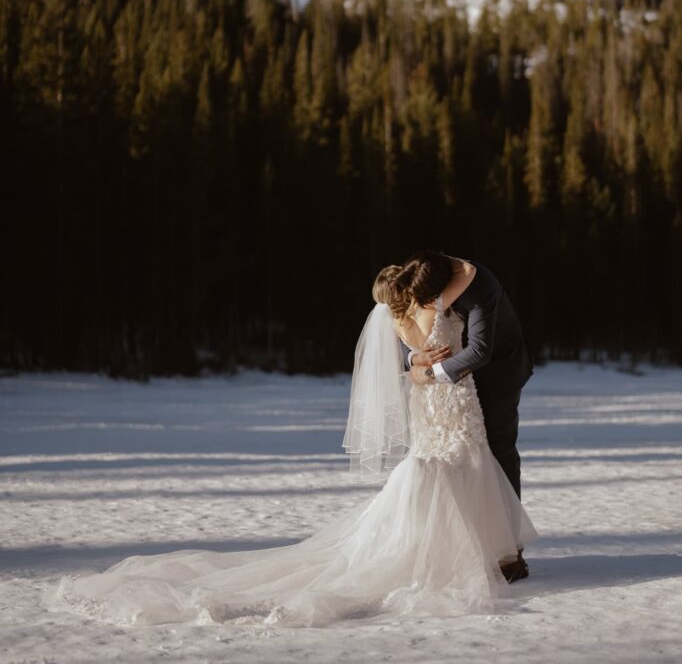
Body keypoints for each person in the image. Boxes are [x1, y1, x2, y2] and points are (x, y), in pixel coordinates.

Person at [46, 264, 537, 628]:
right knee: (467, 464)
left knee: (469, 464)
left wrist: (417, 368)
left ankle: (494, 551)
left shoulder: (406, 314)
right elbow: (466, 302)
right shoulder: (437, 302)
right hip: (450, 398)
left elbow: (418, 359)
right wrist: (425, 366)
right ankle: (488, 553)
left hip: (446, 401)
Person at [397, 251, 534, 582]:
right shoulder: (420, 278)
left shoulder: (479, 286)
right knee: (455, 462)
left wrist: (429, 375)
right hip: (455, 389)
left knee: (499, 456)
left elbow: (479, 351)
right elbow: (402, 326)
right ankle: (465, 547)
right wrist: (416, 357)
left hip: (497, 376)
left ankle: (509, 554)